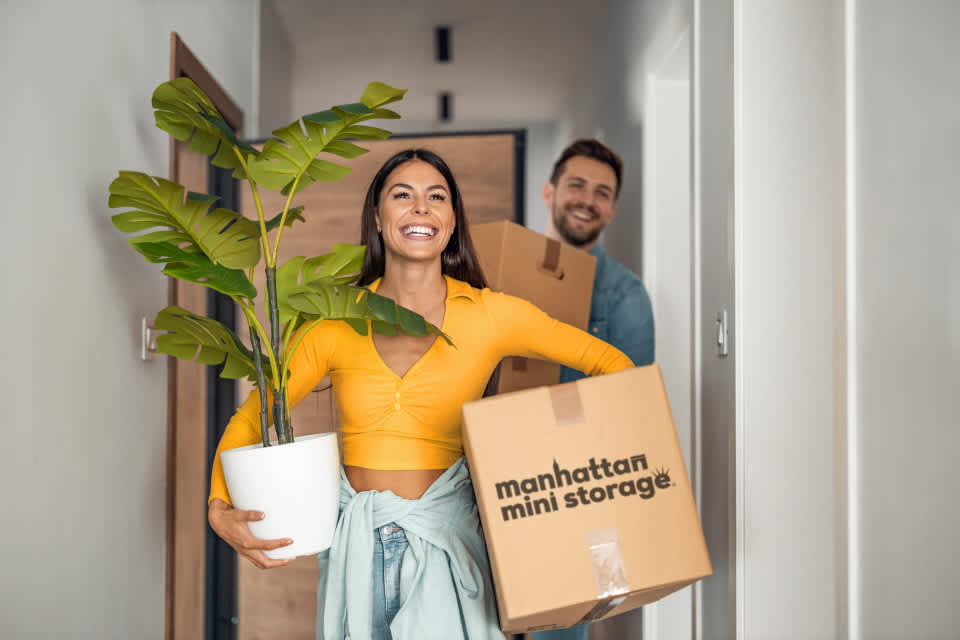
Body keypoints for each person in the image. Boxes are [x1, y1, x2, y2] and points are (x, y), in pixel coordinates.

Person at [207, 148, 634, 640]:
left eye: (436, 197)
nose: (420, 208)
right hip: (356, 554)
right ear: (378, 217)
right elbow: (256, 414)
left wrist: (580, 472)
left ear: (452, 221)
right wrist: (219, 505)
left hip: (451, 551)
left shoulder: (491, 314)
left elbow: (612, 365)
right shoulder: (335, 322)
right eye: (402, 195)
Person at [534, 141, 655, 640]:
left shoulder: (625, 296)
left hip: (577, 490)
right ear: (550, 192)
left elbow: (631, 411)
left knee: (560, 631)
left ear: (612, 209)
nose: (587, 200)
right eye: (577, 186)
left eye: (602, 193)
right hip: (493, 472)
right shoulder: (507, 274)